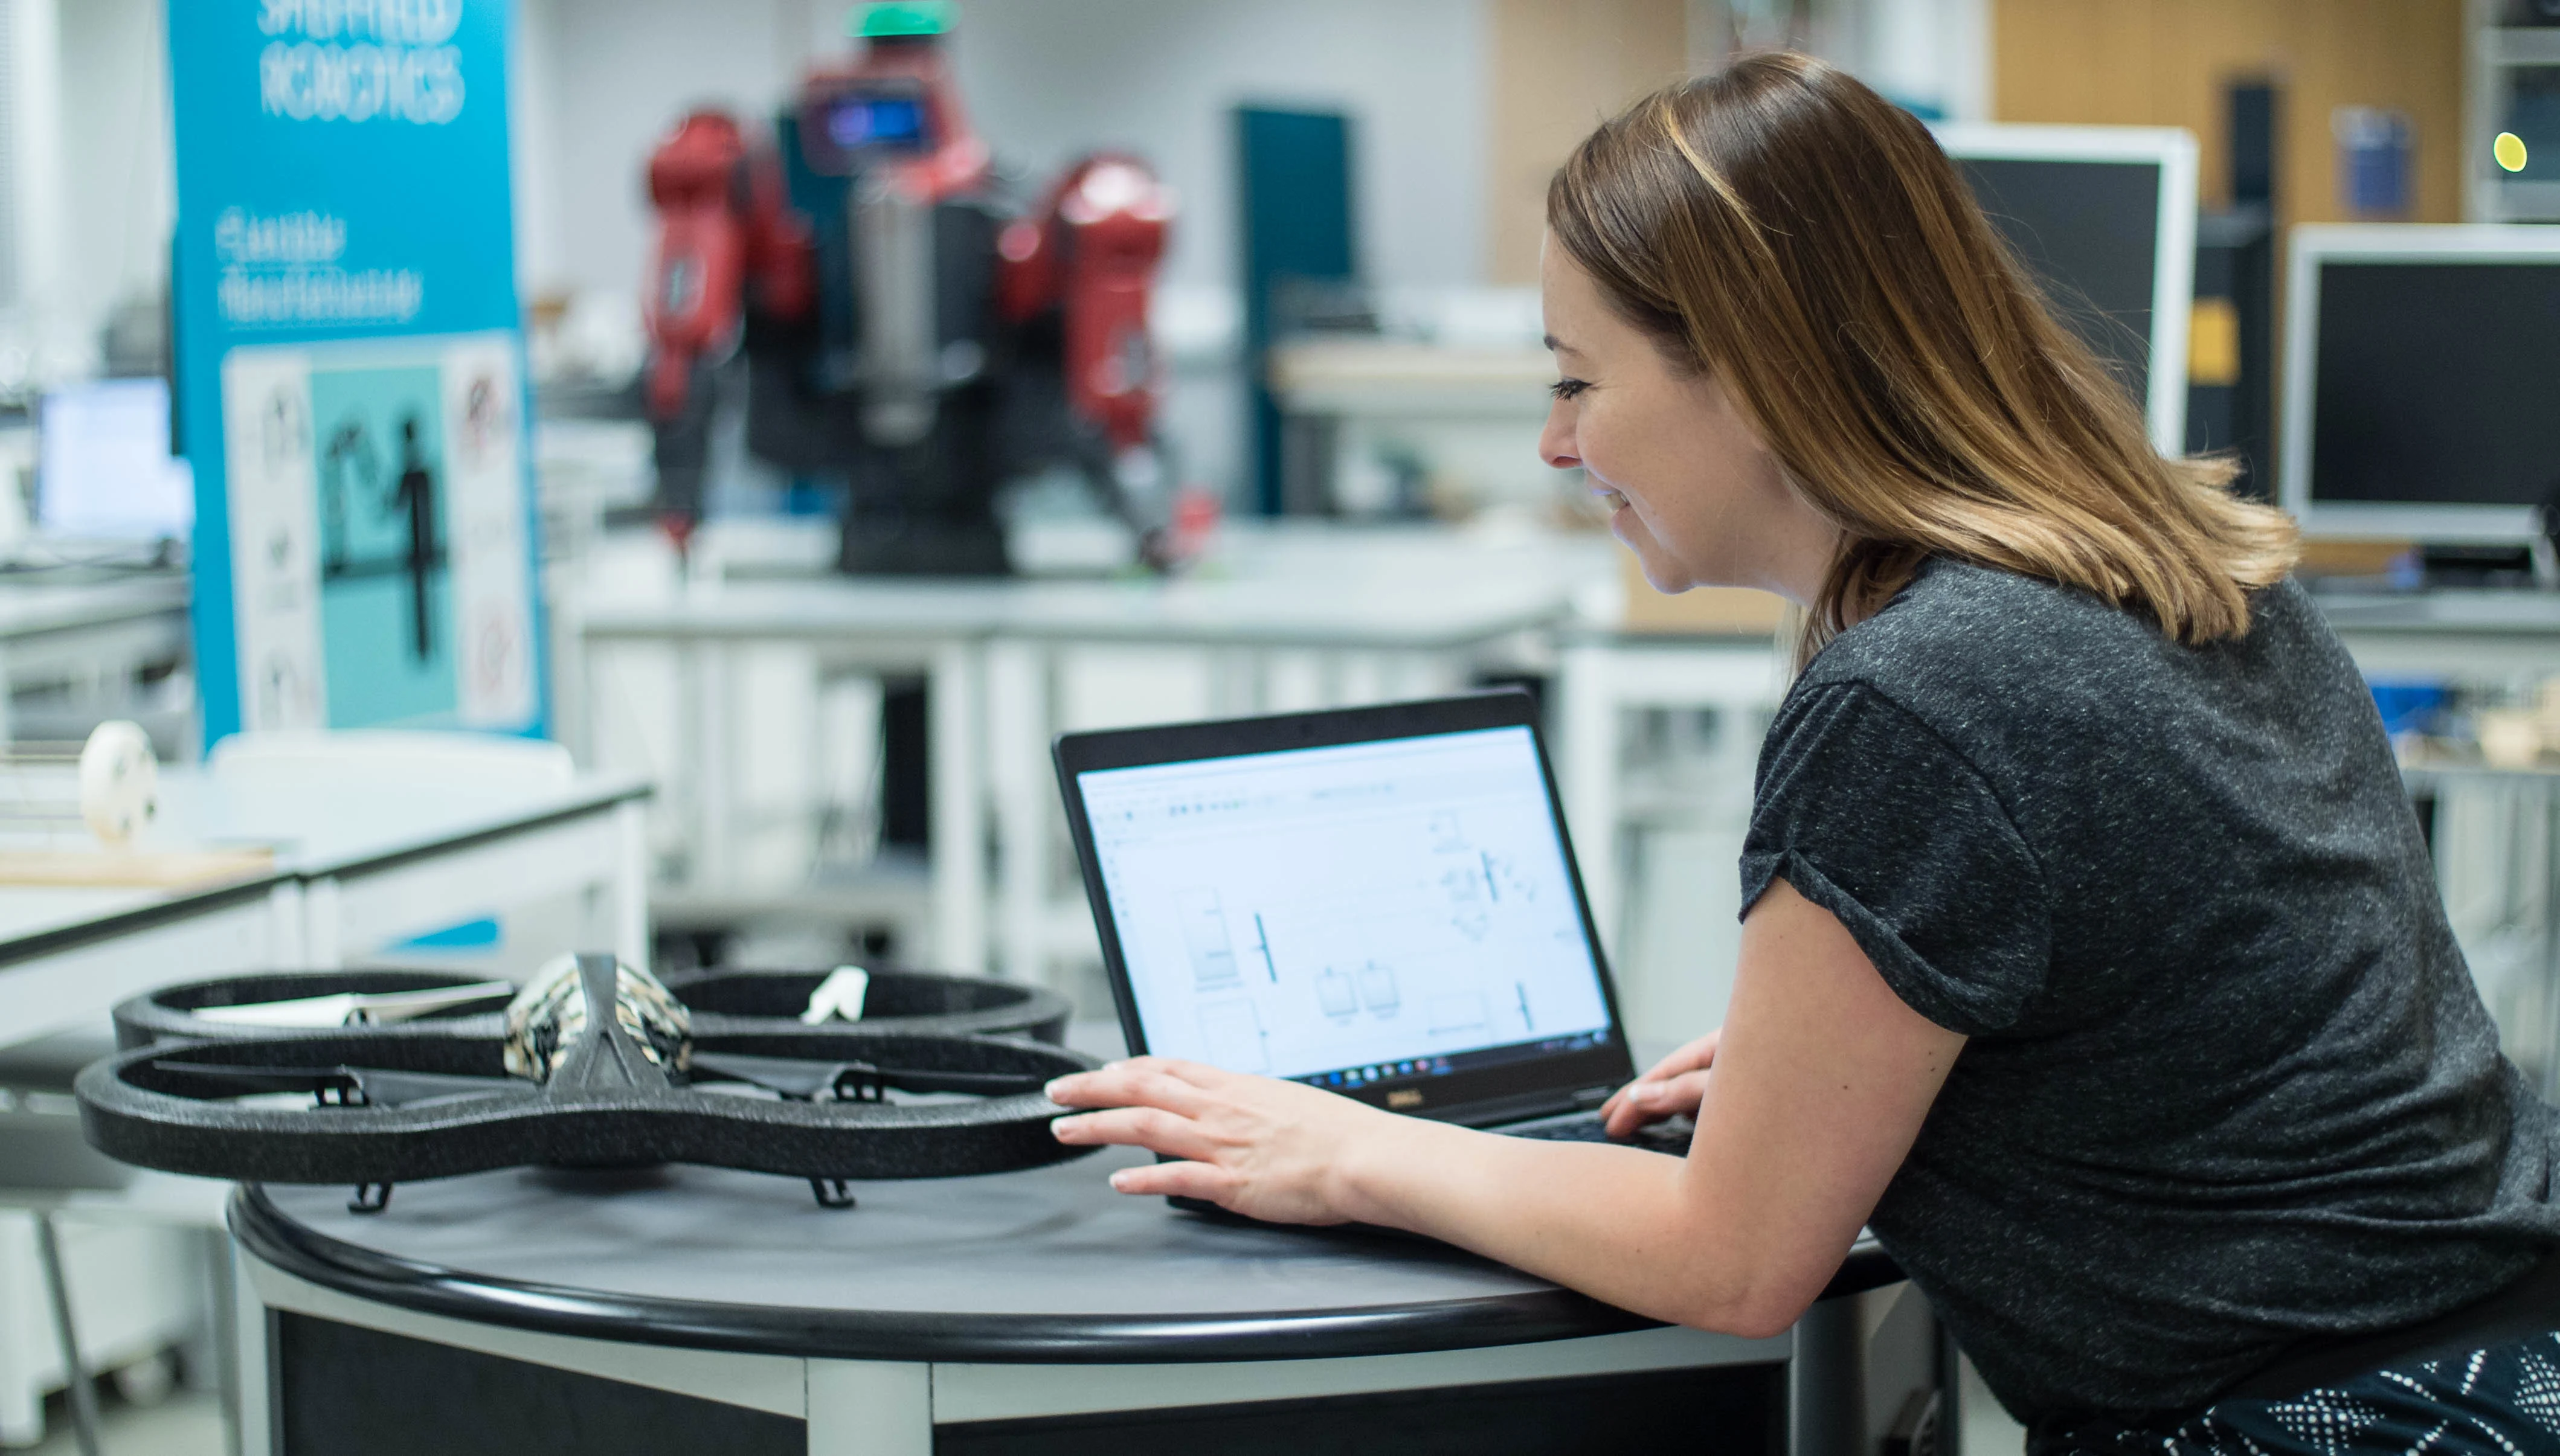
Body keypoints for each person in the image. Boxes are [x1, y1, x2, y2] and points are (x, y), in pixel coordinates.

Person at [1043, 52, 2560, 1455]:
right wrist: (1895, 1070)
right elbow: (2211, 1021)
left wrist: (1344, 1147)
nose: (1556, 447)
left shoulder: (1922, 692)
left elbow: (1733, 1260)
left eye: (1578, 381)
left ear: (1759, 375)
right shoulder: (2180, 562)